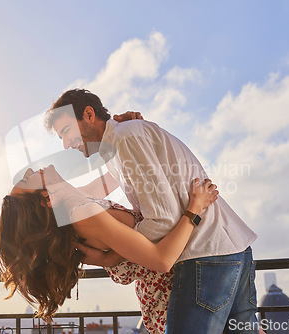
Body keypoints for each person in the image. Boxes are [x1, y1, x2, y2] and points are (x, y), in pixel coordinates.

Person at [45, 89, 259, 333]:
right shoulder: (120, 143)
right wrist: (53, 189)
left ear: (89, 114)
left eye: (66, 131)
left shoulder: (125, 138)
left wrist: (116, 254)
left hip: (206, 254)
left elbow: (161, 220)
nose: (65, 144)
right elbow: (93, 190)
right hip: (231, 248)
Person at [0, 165, 219, 328]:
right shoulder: (80, 215)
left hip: (179, 287)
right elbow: (162, 260)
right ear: (45, 199)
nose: (29, 171)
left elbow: (115, 175)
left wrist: (126, 133)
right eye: (27, 180)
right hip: (172, 295)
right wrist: (195, 209)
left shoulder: (74, 202)